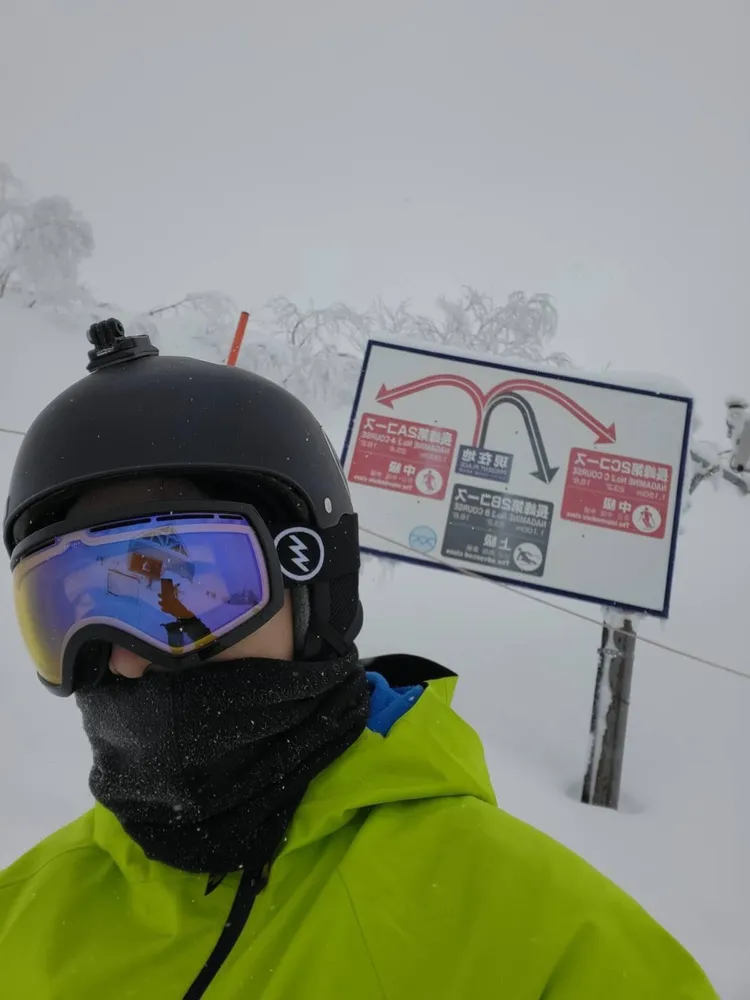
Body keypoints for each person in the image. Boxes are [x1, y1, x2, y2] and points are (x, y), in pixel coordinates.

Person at [0, 319, 718, 999]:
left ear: (313, 583)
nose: (124, 663)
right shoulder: (19, 915)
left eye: (183, 591)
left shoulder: (548, 949)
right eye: (66, 608)